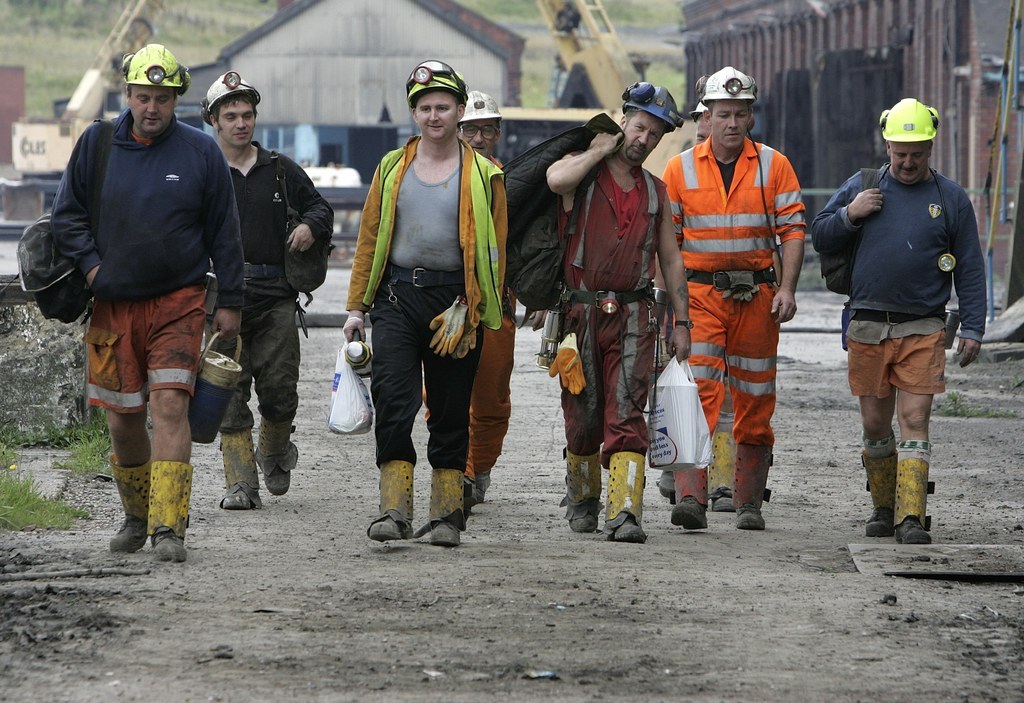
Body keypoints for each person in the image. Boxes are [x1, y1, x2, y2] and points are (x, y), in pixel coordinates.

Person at [50, 44, 244, 563]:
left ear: (177, 97)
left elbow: (225, 232)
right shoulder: (96, 145)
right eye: (143, 96)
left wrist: (232, 301)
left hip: (179, 300)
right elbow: (65, 216)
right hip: (113, 305)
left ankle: (169, 526)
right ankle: (136, 516)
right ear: (127, 94)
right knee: (123, 419)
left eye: (163, 97)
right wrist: (94, 268)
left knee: (170, 404)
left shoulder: (202, 152)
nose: (152, 107)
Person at [344, 60, 507, 548]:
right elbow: (369, 238)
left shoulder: (484, 175)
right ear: (414, 113)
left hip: (455, 302)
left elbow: (497, 249)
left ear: (460, 110)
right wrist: (356, 308)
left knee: (452, 406)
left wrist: (477, 309)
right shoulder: (392, 168)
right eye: (425, 107)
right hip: (396, 297)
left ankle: (445, 515)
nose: (435, 116)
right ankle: (393, 509)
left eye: (443, 107)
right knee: (394, 399)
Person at [811, 98, 986, 545]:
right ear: (886, 144)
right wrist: (852, 214)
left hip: (923, 327)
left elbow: (969, 265)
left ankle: (911, 515)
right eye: (900, 153)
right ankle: (883, 508)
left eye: (917, 154)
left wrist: (973, 327)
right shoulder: (862, 185)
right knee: (874, 425)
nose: (908, 163)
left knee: (915, 416)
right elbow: (821, 233)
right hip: (868, 324)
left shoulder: (950, 199)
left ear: (931, 147)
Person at [546, 81, 692, 544]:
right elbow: (555, 180)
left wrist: (682, 323)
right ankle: (584, 502)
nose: (644, 140)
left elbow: (671, 260)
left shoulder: (656, 191)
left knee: (627, 413)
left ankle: (625, 511)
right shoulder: (584, 176)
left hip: (634, 316)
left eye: (655, 134)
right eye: (639, 127)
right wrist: (599, 149)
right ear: (624, 119)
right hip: (579, 315)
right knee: (582, 415)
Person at [661, 66, 806, 532]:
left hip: (758, 296)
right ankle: (690, 498)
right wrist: (672, 309)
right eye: (723, 113)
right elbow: (669, 242)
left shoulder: (774, 164)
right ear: (708, 115)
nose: (731, 123)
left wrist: (786, 289)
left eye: (740, 114)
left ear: (750, 118)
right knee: (698, 392)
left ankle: (748, 501)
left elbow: (792, 230)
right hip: (700, 296)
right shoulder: (679, 168)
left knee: (755, 395)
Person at [201, 72, 334, 510]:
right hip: (219, 298)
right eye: (231, 116)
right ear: (213, 121)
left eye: (247, 115)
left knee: (280, 391)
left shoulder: (279, 169)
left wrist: (310, 227)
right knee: (228, 392)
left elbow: (320, 206)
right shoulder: (204, 170)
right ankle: (240, 483)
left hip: (275, 296)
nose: (241, 123)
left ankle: (274, 451)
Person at [458, 90, 513, 508]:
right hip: (450, 302)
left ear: (496, 134)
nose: (478, 138)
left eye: (485, 129)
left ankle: (482, 466)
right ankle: (462, 472)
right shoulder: (436, 177)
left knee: (491, 396)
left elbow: (527, 245)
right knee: (443, 394)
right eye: (471, 129)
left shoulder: (508, 182)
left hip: (498, 304)